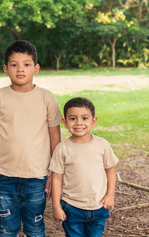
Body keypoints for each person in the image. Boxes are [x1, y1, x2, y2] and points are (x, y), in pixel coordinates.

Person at [0, 40, 62, 237]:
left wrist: (55, 173)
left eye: (26, 64)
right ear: (5, 69)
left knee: (35, 228)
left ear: (36, 69)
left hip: (37, 177)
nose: (20, 69)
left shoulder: (47, 98)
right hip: (4, 176)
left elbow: (55, 138)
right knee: (7, 228)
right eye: (14, 64)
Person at [49, 97, 118, 237]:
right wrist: (56, 206)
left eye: (84, 118)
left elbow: (110, 170)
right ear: (65, 122)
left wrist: (110, 195)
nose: (79, 122)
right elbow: (56, 179)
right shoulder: (62, 149)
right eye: (73, 118)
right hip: (72, 206)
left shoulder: (102, 145)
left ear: (93, 121)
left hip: (98, 205)